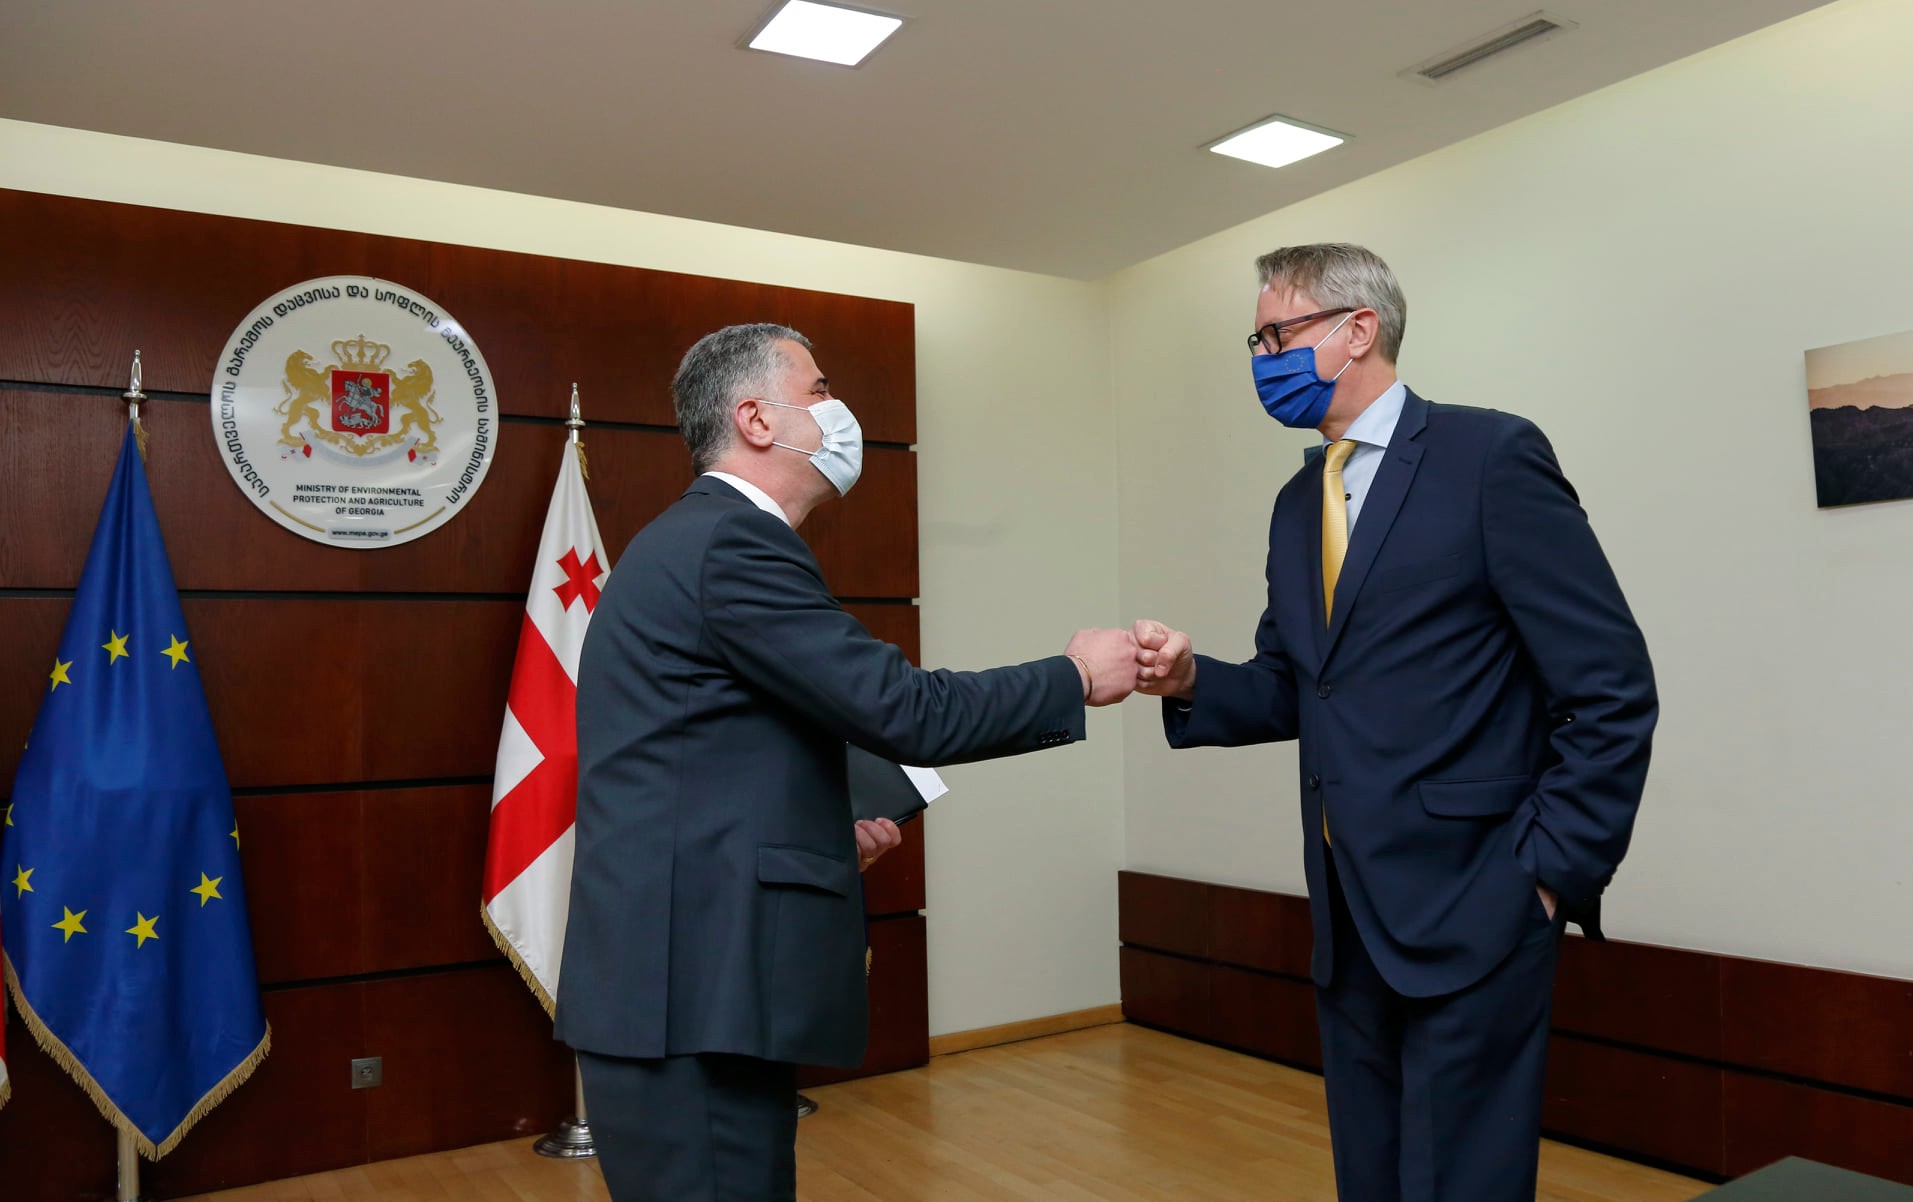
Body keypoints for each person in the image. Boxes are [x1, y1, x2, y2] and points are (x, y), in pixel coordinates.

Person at [556, 322, 1137, 1202]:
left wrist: (823, 833)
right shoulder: (731, 542)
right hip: (692, 994)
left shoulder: (701, 539)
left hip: (685, 984)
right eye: (820, 390)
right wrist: (1076, 676)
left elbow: (707, 758)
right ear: (755, 419)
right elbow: (905, 711)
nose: (839, 411)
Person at [1132, 244, 1657, 1202]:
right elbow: (1299, 686)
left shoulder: (1488, 456)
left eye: (1275, 335)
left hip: (1480, 898)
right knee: (1370, 1175)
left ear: (1357, 330)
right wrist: (1187, 677)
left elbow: (1610, 685)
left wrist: (1547, 875)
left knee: (1462, 1181)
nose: (1261, 359)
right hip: (1347, 913)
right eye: (1256, 341)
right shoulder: (1298, 502)